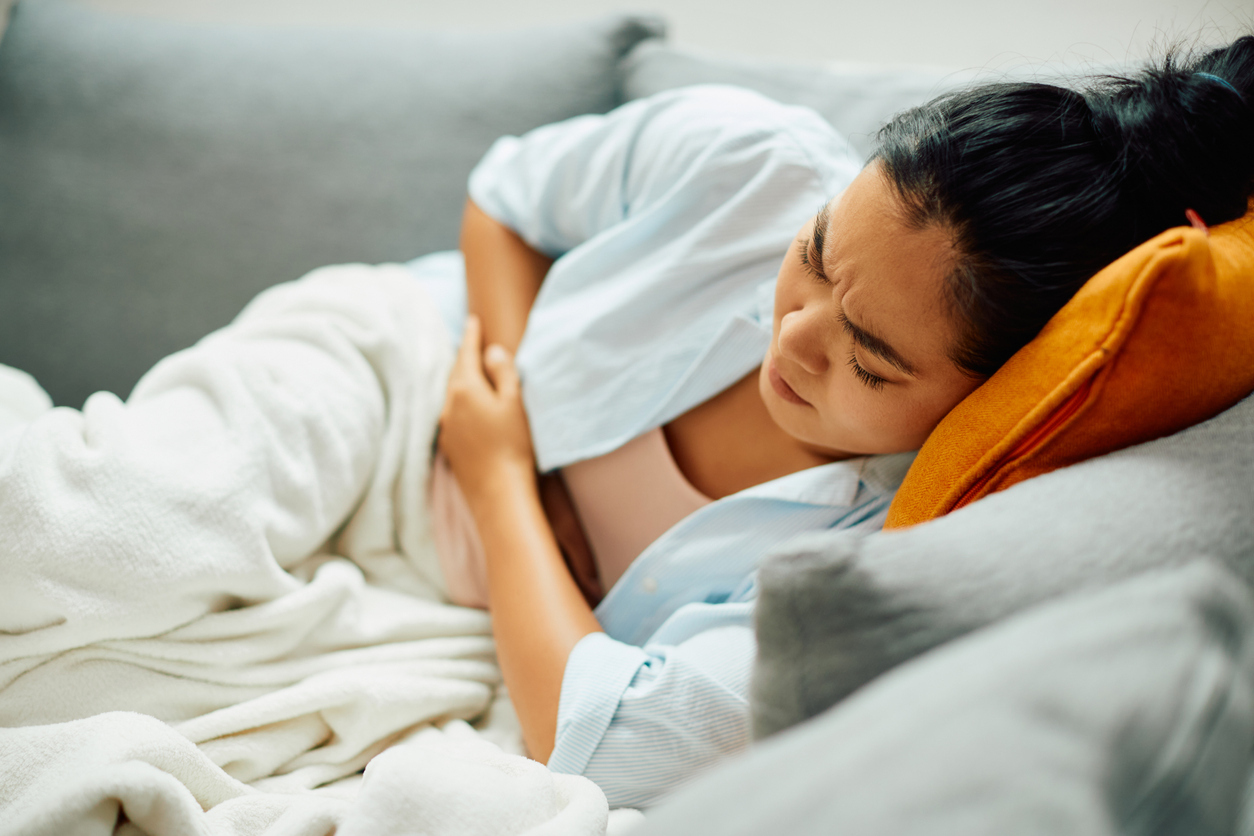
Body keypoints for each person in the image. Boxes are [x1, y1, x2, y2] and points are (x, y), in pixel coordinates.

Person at [424, 34, 1254, 807]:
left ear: (990, 391)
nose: (791, 336)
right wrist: (514, 407)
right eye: (815, 255)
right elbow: (504, 197)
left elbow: (611, 745)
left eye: (869, 357)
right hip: (403, 361)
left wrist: (501, 487)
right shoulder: (751, 162)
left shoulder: (871, 548)